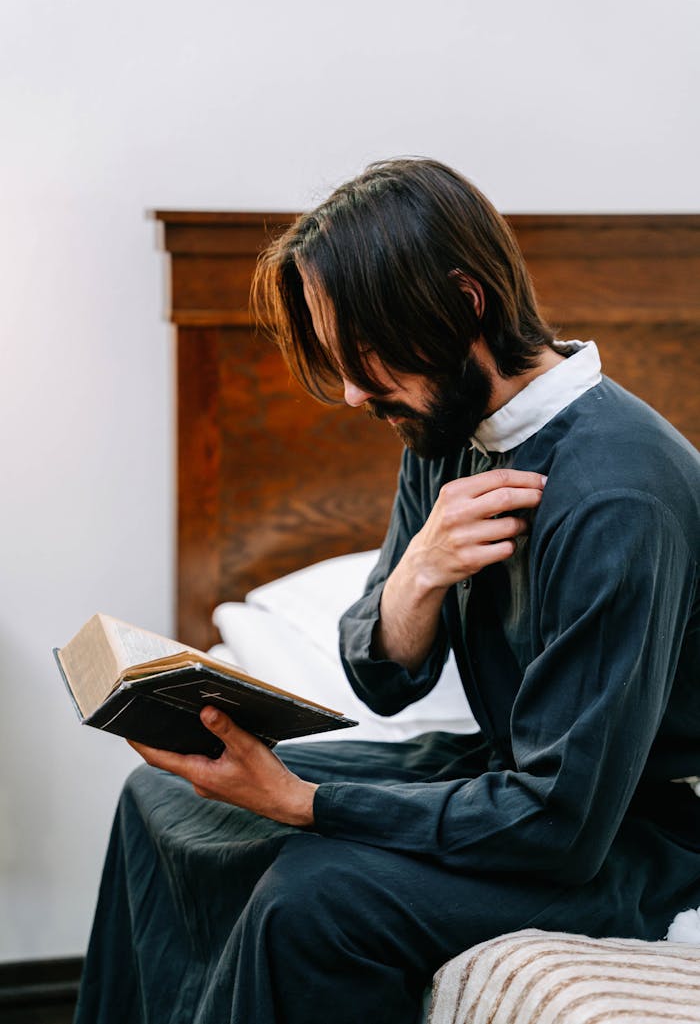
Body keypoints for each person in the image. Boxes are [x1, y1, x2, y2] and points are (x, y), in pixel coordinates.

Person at [75, 159, 700, 1024]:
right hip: (512, 777)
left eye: (365, 356)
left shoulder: (620, 494)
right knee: (164, 796)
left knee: (312, 903)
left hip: (637, 834)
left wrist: (304, 802)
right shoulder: (442, 430)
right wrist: (419, 575)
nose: (351, 392)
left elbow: (564, 823)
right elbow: (384, 680)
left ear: (465, 302)